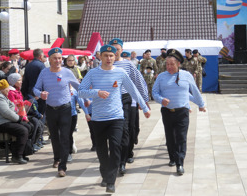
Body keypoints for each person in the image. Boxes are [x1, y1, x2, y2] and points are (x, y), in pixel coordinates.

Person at [78, 44, 151, 193]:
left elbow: (133, 91)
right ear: (100, 57)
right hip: (98, 119)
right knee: (102, 151)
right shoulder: (92, 73)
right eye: (106, 55)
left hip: (116, 117)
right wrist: (96, 92)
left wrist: (144, 107)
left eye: (111, 56)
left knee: (116, 147)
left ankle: (111, 181)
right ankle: (105, 175)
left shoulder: (121, 72)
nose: (109, 58)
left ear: (115, 56)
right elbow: (80, 92)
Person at [152, 49, 206, 176]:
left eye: (172, 64)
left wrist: (201, 104)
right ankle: (172, 157)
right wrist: (160, 99)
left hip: (182, 112)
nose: (169, 67)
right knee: (170, 137)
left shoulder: (186, 75)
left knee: (181, 137)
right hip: (167, 112)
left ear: (178, 64)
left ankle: (180, 163)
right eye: (167, 64)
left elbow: (194, 91)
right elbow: (154, 92)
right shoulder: (161, 77)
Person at [34, 47, 85, 177]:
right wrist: (40, 94)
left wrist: (89, 95)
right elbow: (35, 88)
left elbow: (78, 87)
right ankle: (56, 158)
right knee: (54, 137)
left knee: (64, 136)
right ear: (49, 60)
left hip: (65, 108)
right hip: (50, 109)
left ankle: (62, 166)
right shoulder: (44, 73)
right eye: (54, 58)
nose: (57, 61)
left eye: (59, 58)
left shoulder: (67, 72)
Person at [109, 38, 149, 176]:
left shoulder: (128, 65)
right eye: (112, 49)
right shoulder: (104, 65)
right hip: (110, 103)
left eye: (117, 49)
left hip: (128, 101)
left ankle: (124, 158)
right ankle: (116, 158)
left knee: (129, 129)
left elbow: (138, 81)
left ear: (121, 49)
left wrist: (144, 100)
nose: (115, 51)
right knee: (115, 133)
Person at [0, 79, 30, 164]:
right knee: (22, 131)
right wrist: (18, 119)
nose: (9, 91)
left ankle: (21, 153)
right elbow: (6, 112)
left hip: (6, 121)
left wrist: (16, 116)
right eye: (7, 89)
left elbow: (11, 107)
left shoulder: (3, 96)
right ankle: (17, 156)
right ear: (2, 89)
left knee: (27, 126)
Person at [21, 49, 47, 116]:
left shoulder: (28, 65)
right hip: (39, 93)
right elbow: (44, 81)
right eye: (44, 56)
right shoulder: (41, 66)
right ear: (41, 56)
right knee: (41, 113)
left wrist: (24, 93)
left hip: (30, 93)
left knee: (33, 113)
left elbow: (25, 81)